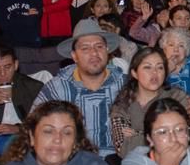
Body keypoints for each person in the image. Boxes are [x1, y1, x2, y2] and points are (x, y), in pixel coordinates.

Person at [32, 19, 128, 157]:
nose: (94, 53)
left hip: (119, 162)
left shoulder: (126, 85)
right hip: (72, 162)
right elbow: (34, 125)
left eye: (99, 46)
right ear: (74, 56)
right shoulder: (58, 88)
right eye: (85, 48)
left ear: (108, 51)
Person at [109, 47, 190, 158]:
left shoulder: (177, 97)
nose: (154, 73)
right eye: (147, 67)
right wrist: (163, 133)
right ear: (135, 73)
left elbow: (184, 139)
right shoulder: (122, 104)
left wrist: (138, 134)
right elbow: (124, 150)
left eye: (160, 68)